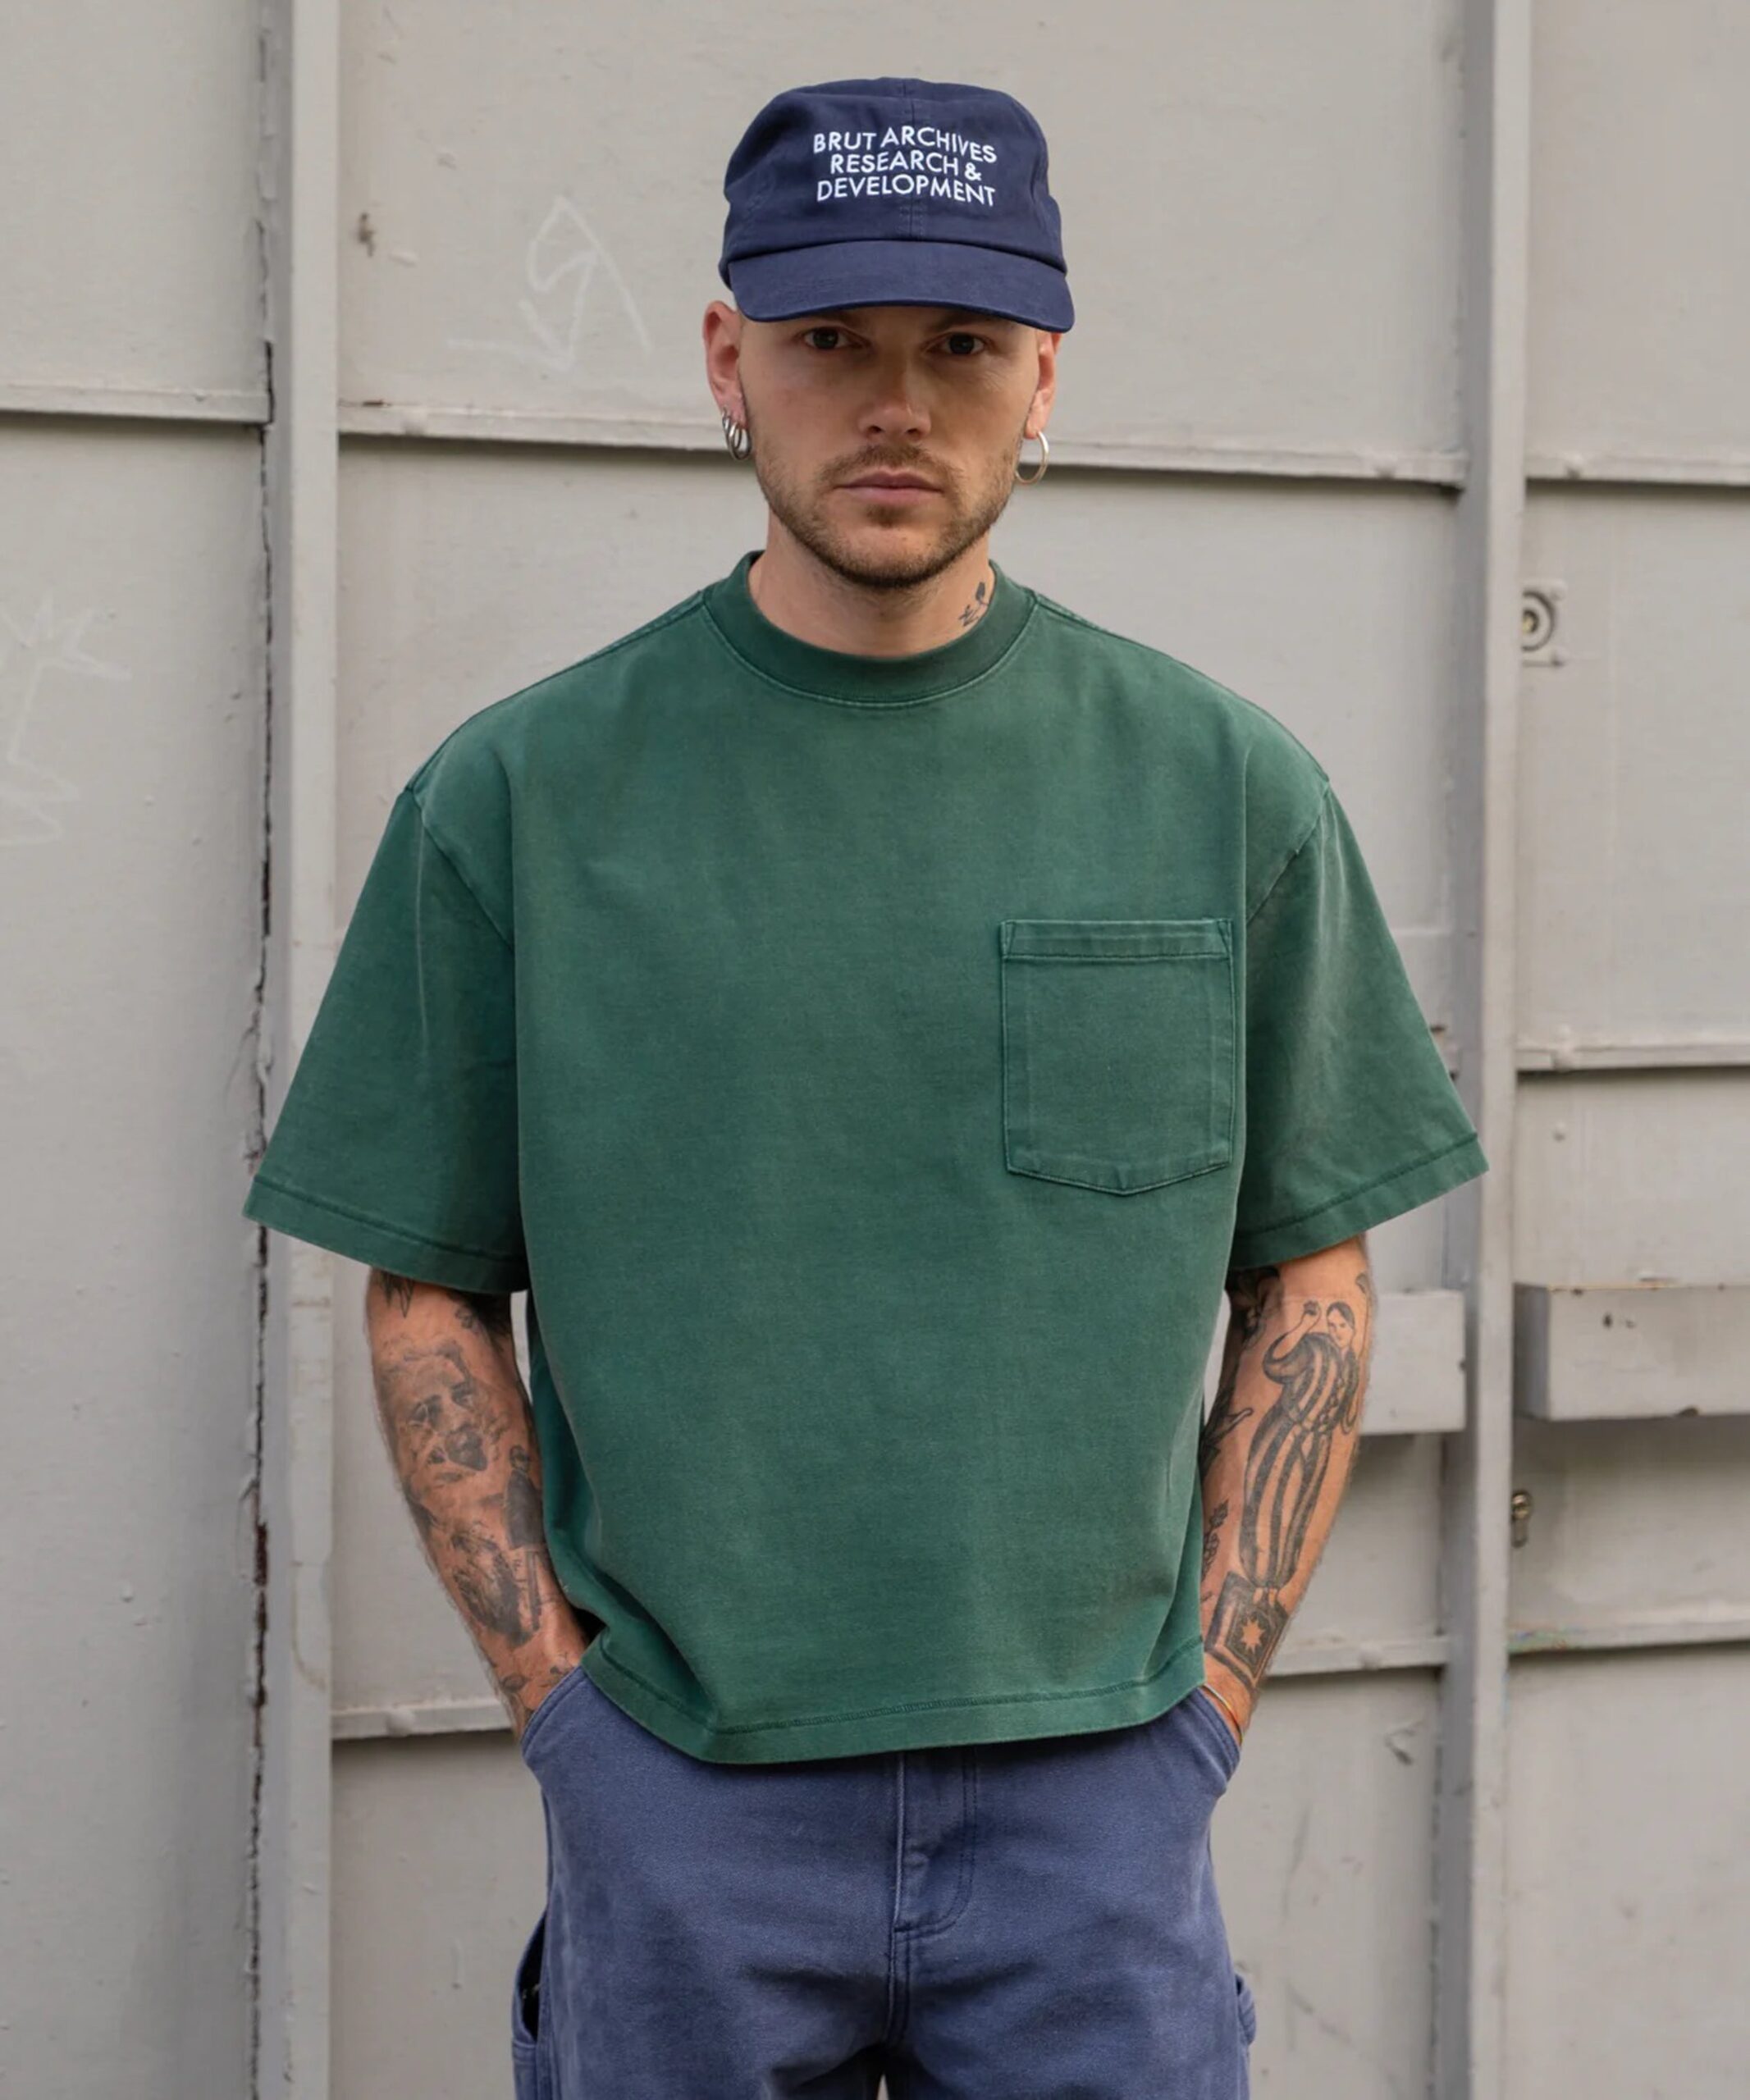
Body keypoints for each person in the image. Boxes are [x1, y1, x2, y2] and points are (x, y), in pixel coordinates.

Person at [243, 74, 1488, 2100]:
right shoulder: (523, 797)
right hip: (687, 1795)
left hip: (1097, 1804)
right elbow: (422, 1285)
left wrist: (1200, 1705)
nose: (895, 403)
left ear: (1045, 376)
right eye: (829, 339)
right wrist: (569, 1719)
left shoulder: (1218, 785)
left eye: (961, 344)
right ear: (726, 360)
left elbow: (1311, 1275)